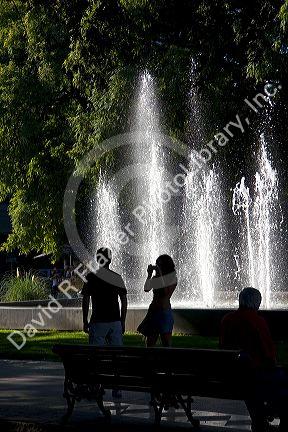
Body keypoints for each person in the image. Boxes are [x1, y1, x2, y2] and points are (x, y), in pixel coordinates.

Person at [220, 287, 288, 432]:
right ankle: (268, 415)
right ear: (256, 302)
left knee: (249, 382)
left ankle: (260, 420)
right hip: (255, 376)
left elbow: (222, 349)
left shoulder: (227, 319)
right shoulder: (257, 321)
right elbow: (268, 355)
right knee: (279, 381)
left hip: (231, 378)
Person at [82, 247, 127, 347]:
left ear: (97, 259)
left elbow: (85, 300)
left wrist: (85, 320)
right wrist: (122, 321)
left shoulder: (90, 278)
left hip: (97, 321)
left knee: (96, 354)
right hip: (115, 322)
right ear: (110, 260)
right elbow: (124, 301)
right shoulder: (117, 278)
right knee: (116, 353)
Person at [138, 254, 177, 347]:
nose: (156, 266)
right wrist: (149, 275)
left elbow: (165, 293)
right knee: (150, 343)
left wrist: (160, 275)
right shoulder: (155, 278)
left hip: (164, 313)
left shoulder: (172, 279)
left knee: (166, 343)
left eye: (158, 264)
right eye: (156, 264)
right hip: (153, 312)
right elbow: (146, 288)